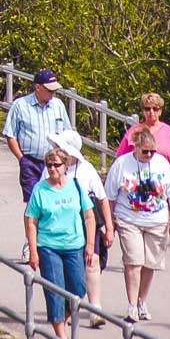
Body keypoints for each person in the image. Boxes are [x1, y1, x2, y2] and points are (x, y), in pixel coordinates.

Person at [104, 127, 170, 323]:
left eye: (152, 151)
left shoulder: (162, 164)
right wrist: (109, 223)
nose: (149, 155)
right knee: (134, 262)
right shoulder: (122, 164)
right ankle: (131, 305)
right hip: (129, 219)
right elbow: (110, 195)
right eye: (144, 151)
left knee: (149, 264)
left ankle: (141, 301)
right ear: (136, 147)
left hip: (156, 220)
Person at [40, 130, 114, 328]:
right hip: (60, 222)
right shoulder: (50, 169)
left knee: (92, 261)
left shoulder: (86, 170)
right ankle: (70, 307)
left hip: (87, 220)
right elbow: (40, 196)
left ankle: (95, 309)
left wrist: (109, 226)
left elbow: (102, 198)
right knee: (68, 267)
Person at [25, 146, 96, 339]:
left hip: (74, 245)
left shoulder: (76, 185)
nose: (52, 169)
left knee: (78, 289)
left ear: (66, 166)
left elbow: (89, 216)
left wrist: (90, 245)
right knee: (55, 290)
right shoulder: (40, 189)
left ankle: (62, 319)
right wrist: (33, 251)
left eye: (56, 165)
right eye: (49, 165)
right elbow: (31, 220)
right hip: (49, 246)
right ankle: (61, 336)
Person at [3, 68, 72, 203]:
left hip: (55, 163)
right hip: (31, 163)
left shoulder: (58, 106)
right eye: (50, 90)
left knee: (53, 200)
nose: (53, 94)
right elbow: (10, 134)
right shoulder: (21, 105)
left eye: (54, 91)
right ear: (38, 87)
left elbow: (67, 133)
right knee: (34, 203)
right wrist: (22, 159)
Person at [115, 93, 170, 195]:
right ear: (143, 111)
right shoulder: (134, 131)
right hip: (137, 181)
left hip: (162, 182)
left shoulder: (169, 131)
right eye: (147, 109)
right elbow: (121, 157)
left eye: (155, 109)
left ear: (160, 111)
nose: (151, 112)